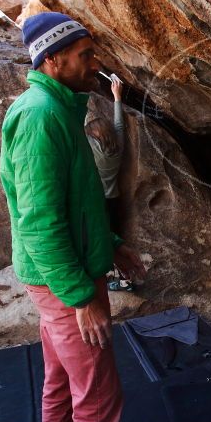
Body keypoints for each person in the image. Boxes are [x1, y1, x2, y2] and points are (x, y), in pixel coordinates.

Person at [0, 12, 146, 422]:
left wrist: (113, 244)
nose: (95, 62)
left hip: (63, 274)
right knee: (99, 402)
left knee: (62, 387)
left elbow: (77, 201)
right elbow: (40, 223)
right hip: (65, 281)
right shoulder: (41, 116)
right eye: (85, 55)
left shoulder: (58, 106)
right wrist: (81, 298)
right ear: (54, 59)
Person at [83, 75, 131, 291]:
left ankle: (112, 279)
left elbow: (77, 131)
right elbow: (119, 125)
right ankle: (125, 279)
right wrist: (117, 97)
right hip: (115, 199)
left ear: (95, 139)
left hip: (98, 202)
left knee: (102, 242)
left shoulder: (92, 153)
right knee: (117, 242)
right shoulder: (117, 147)